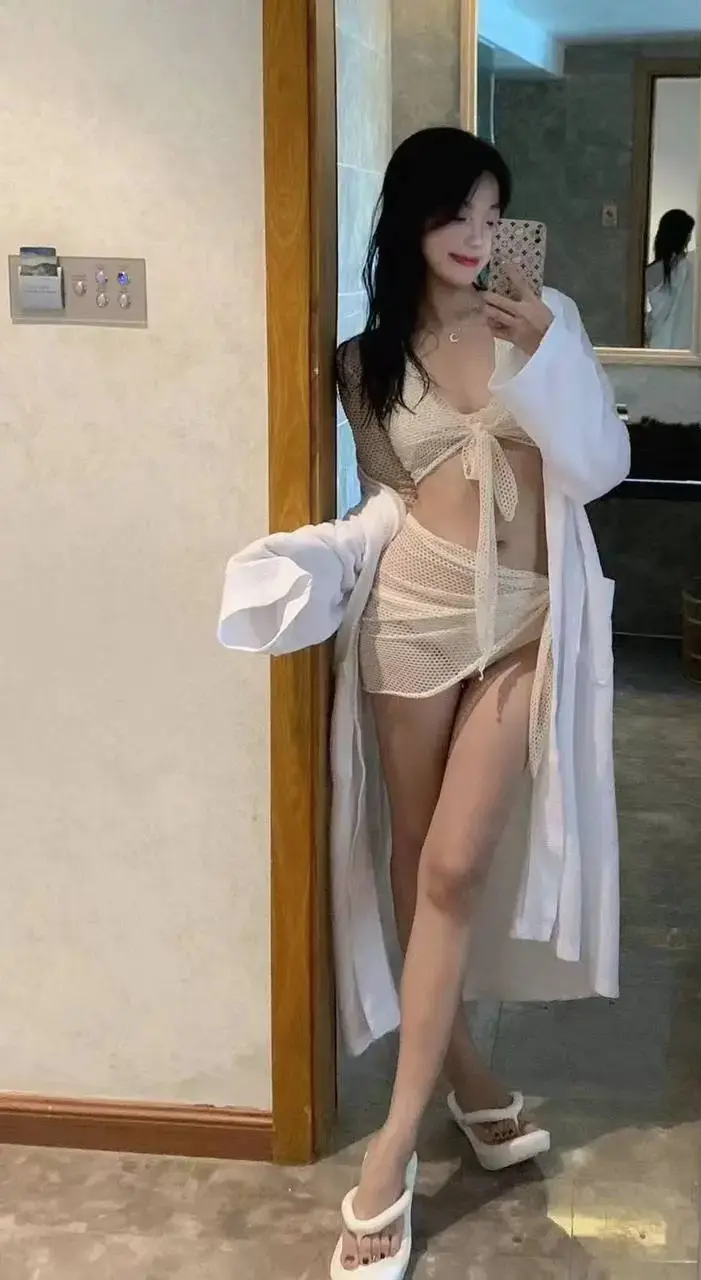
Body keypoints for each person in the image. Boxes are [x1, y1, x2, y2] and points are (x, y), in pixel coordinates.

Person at [218, 126, 630, 1277]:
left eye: (493, 216)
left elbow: (598, 467)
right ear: (412, 217)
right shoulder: (365, 360)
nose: (477, 237)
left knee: (451, 868)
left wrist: (548, 353)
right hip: (412, 614)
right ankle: (466, 1076)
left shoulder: (543, 321)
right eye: (457, 213)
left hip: (523, 624)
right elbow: (384, 501)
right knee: (412, 856)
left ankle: (391, 1147)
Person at [645, 208, 696, 349]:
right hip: (686, 345)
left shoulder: (650, 271)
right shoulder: (693, 268)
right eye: (689, 233)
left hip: (658, 343)